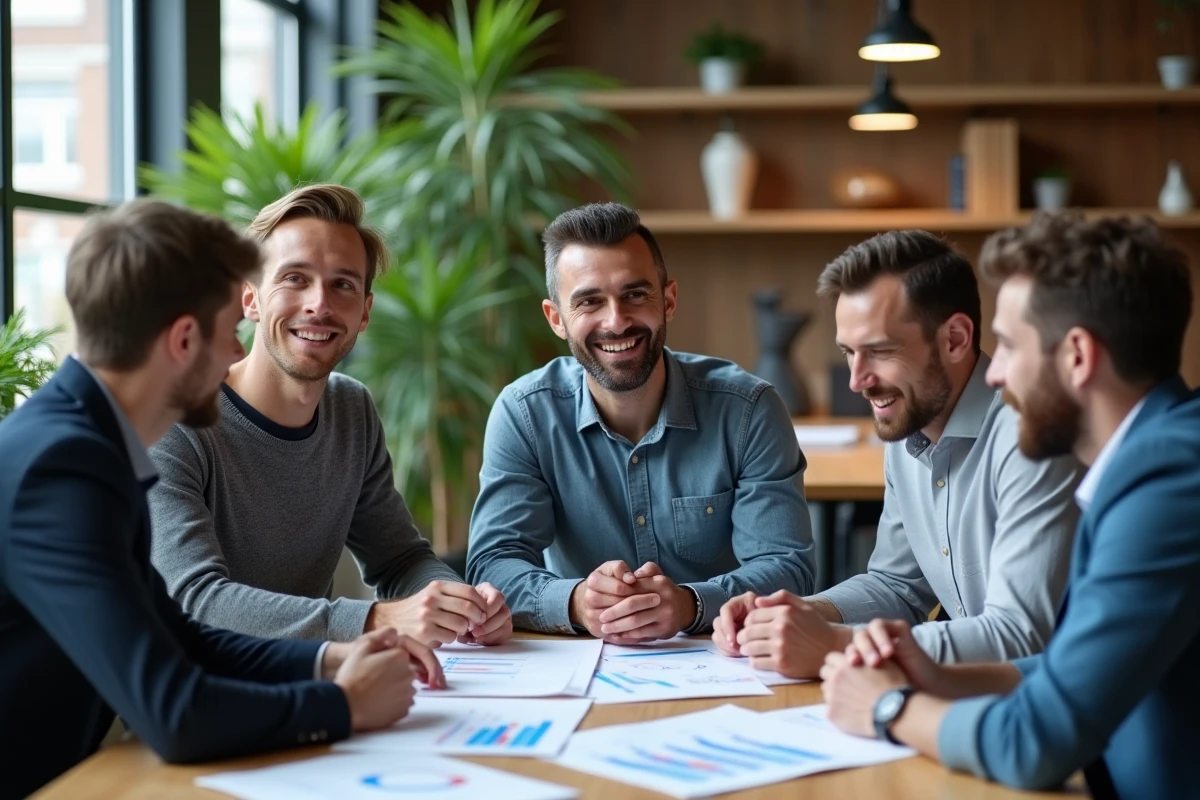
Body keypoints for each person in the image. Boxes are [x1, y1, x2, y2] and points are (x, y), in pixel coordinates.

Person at [0, 199, 444, 800]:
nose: (238, 354)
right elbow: (172, 711)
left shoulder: (88, 445)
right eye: (226, 331)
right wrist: (343, 705)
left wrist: (327, 662)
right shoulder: (64, 467)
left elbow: (178, 634)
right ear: (184, 339)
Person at [822, 213, 1200, 798]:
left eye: (1010, 346)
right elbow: (1065, 673)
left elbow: (1036, 742)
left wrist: (889, 708)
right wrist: (938, 676)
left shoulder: (1168, 482)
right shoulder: (1149, 459)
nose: (993, 374)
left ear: (1077, 355)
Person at [147, 185, 511, 648]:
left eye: (343, 285)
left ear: (364, 312)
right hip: (200, 702)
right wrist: (376, 620)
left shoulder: (350, 409)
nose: (319, 304)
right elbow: (195, 601)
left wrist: (460, 604)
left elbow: (398, 559)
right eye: (295, 278)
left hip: (315, 688)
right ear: (250, 298)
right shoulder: (175, 422)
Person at [712, 230, 1081, 676]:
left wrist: (835, 643)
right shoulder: (908, 423)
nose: (856, 380)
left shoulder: (1031, 436)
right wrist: (795, 614)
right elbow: (898, 586)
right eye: (849, 353)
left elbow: (1021, 635)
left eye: (880, 351)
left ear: (956, 339)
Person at [466, 202, 814, 642]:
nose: (617, 321)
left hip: (722, 659)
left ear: (668, 300)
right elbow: (493, 564)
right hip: (577, 665)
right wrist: (575, 601)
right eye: (590, 301)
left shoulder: (748, 409)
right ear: (556, 319)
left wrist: (690, 604)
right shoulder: (524, 413)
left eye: (635, 294)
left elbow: (788, 567)